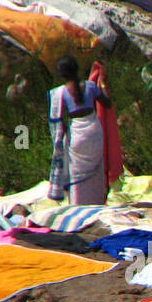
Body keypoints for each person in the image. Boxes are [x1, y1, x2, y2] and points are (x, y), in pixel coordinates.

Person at [48, 55, 113, 206]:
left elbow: (59, 122)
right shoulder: (91, 86)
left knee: (77, 172)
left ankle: (78, 204)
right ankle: (98, 201)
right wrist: (105, 85)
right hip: (94, 131)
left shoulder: (60, 93)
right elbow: (107, 103)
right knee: (96, 169)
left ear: (62, 74)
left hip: (77, 133)